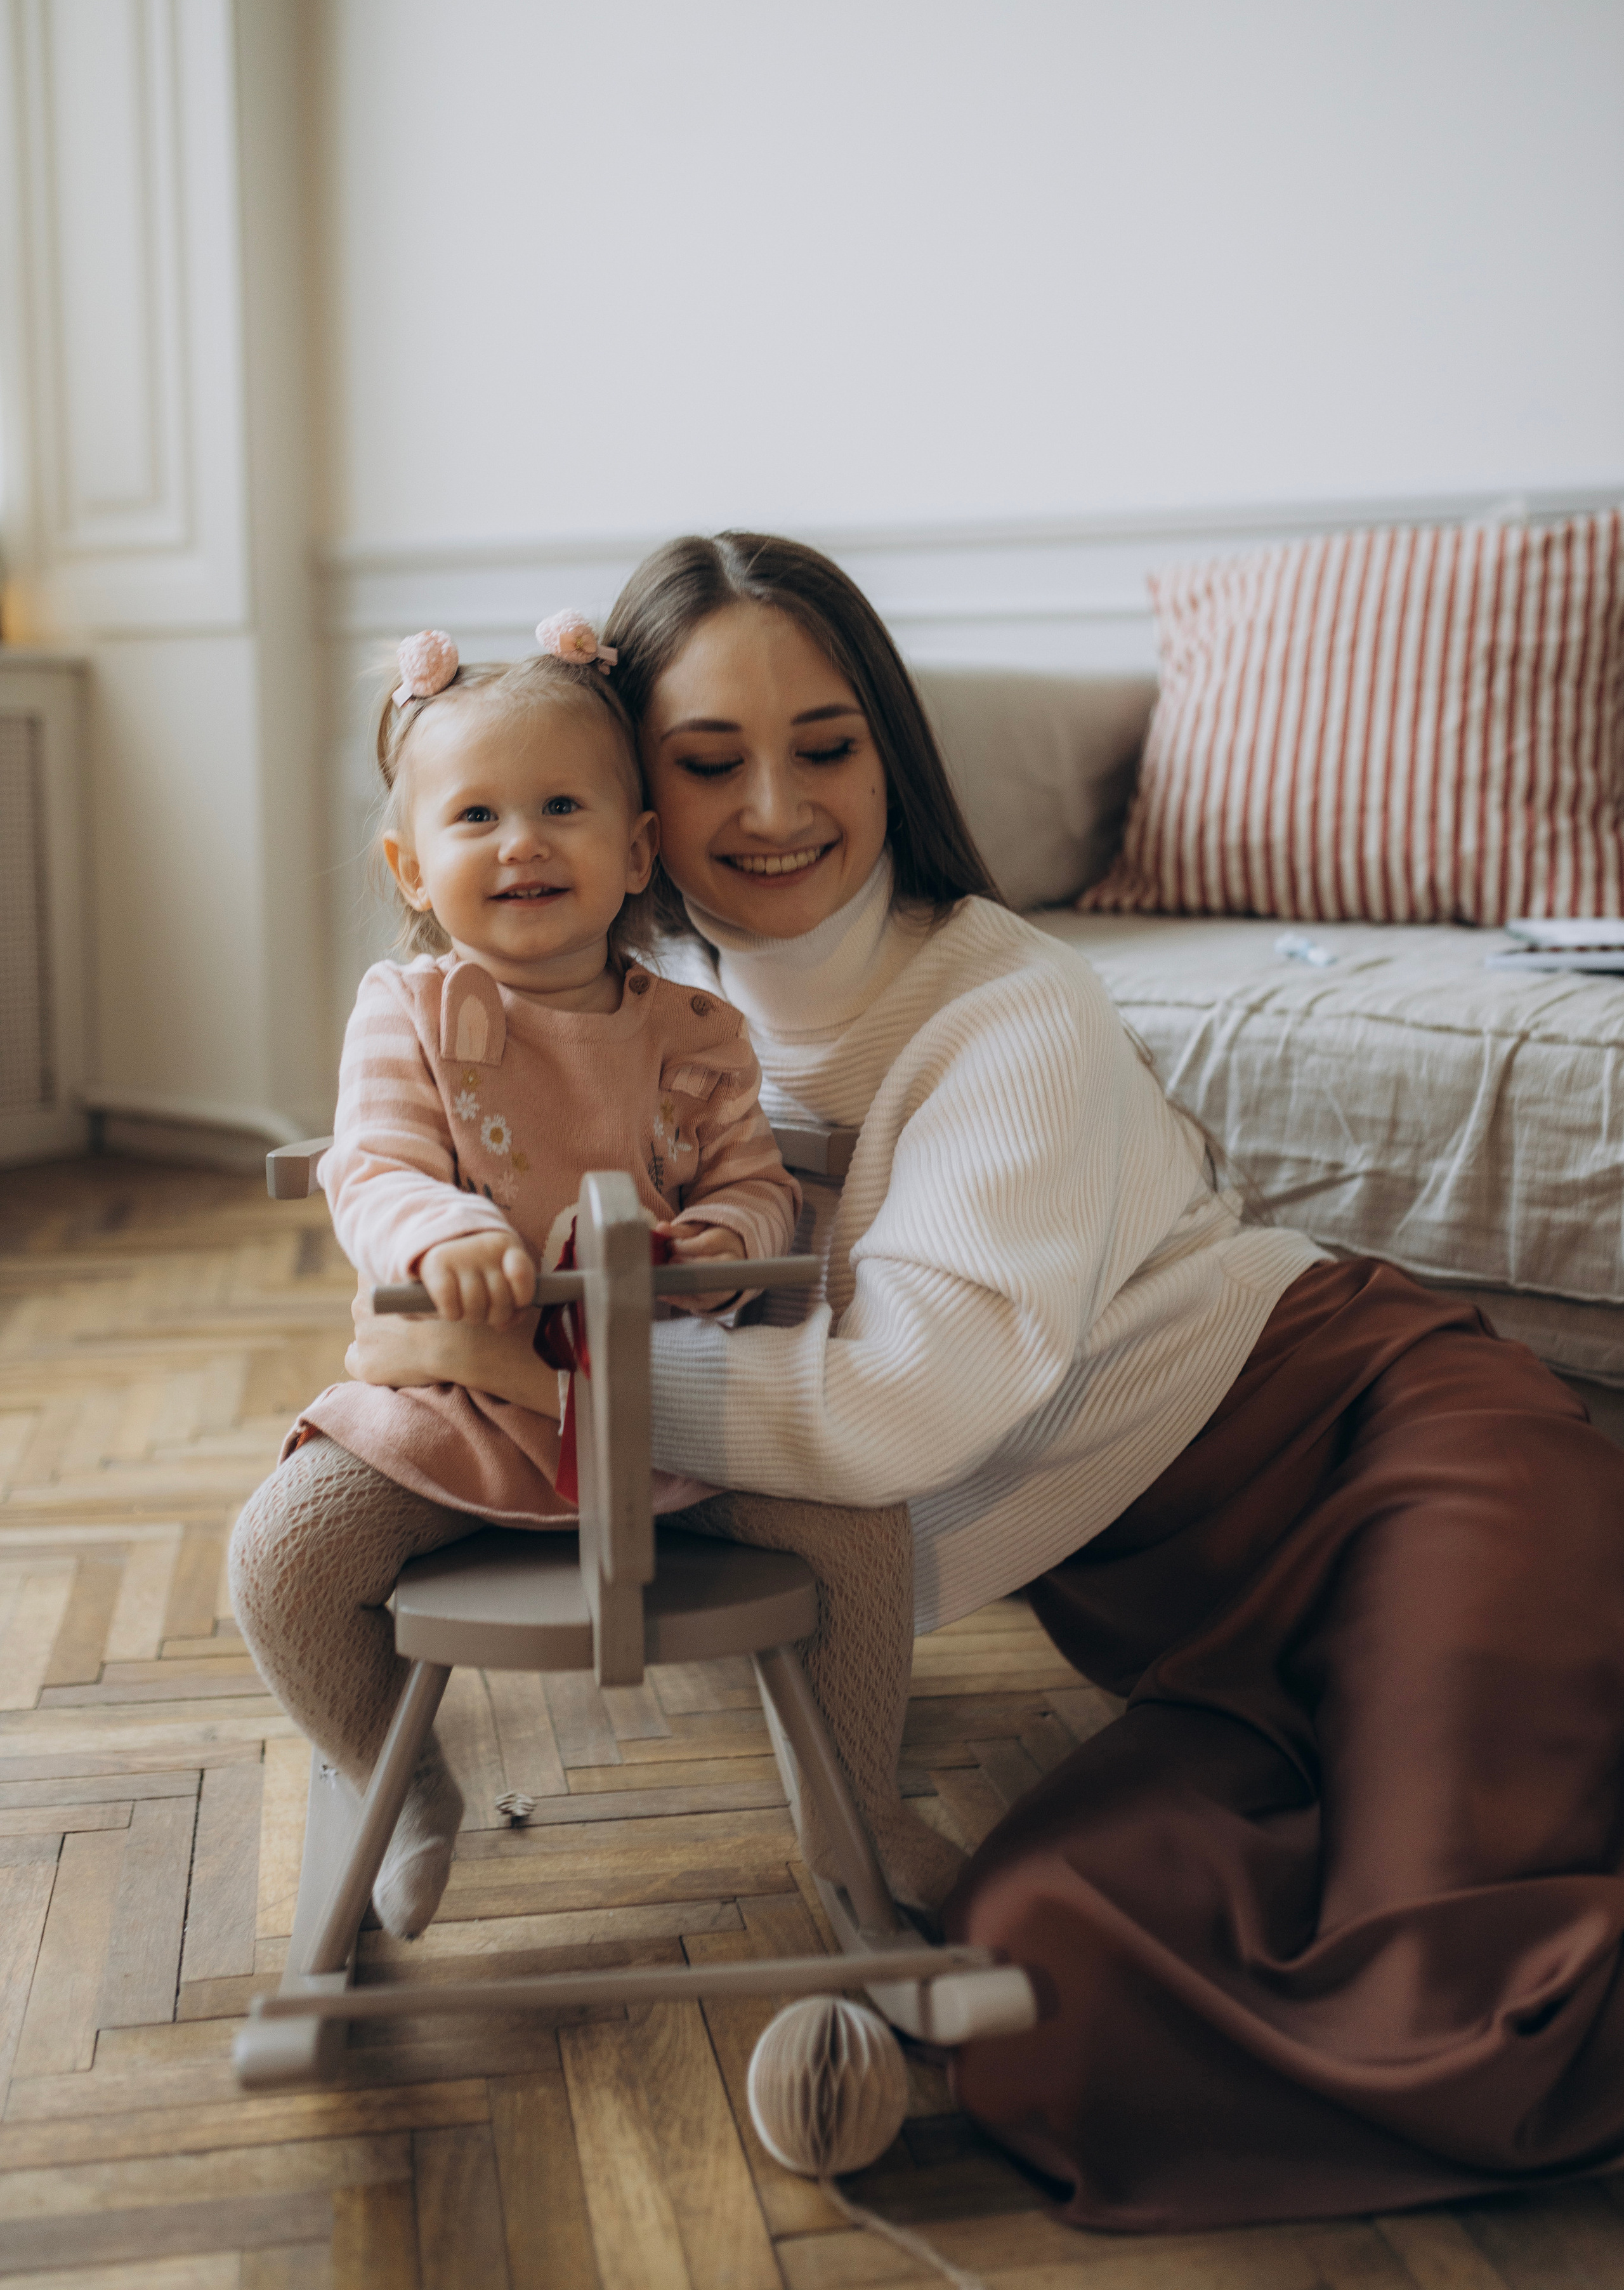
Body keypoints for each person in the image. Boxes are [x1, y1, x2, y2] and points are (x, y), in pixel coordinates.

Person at [346, 533, 1624, 2230]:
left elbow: (898, 1408)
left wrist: (549, 1374)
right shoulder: (669, 1024)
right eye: (708, 759)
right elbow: (440, 1197)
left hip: (1385, 1462)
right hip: (1178, 1619)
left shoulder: (1010, 1009)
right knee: (1022, 1951)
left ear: (892, 749)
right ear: (634, 801)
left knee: (1453, 1974)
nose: (776, 806)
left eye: (828, 744)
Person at [228, 614, 799, 1937]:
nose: (521, 841)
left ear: (638, 849)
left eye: (560, 806)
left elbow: (751, 1182)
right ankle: (392, 1771)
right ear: (411, 866)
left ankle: (861, 1790)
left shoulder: (697, 1032)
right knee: (281, 1562)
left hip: (661, 1405)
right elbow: (367, 1167)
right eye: (475, 815)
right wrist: (440, 1233)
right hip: (456, 1396)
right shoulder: (408, 1011)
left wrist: (717, 1245)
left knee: (858, 1524)